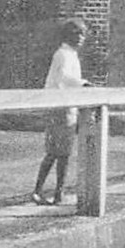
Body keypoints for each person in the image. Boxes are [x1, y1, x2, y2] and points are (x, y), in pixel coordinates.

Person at [33, 18, 89, 206]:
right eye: (77, 34)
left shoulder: (71, 54)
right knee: (56, 152)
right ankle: (39, 190)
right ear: (68, 36)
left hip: (68, 106)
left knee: (63, 153)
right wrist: (83, 83)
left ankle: (58, 192)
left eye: (83, 34)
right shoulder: (63, 54)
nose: (81, 38)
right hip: (60, 108)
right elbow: (64, 77)